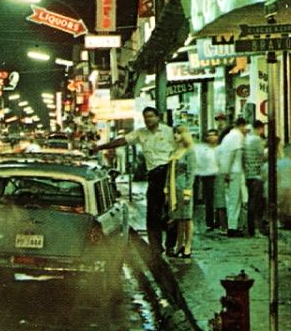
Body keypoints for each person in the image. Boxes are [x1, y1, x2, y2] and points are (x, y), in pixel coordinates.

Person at [93, 106, 174, 250]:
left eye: (151, 116)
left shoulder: (169, 132)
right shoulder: (141, 133)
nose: (148, 119)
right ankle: (156, 246)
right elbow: (121, 141)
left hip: (169, 173)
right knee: (153, 212)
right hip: (154, 175)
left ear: (158, 117)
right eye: (146, 117)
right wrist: (100, 147)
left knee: (171, 212)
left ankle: (171, 245)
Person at [167, 124, 198, 258]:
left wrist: (188, 191)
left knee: (187, 218)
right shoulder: (173, 152)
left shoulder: (189, 151)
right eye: (175, 133)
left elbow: (191, 173)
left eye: (179, 133)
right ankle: (179, 245)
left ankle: (188, 246)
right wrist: (166, 189)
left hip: (184, 188)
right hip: (173, 190)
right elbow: (169, 173)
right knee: (178, 219)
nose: (176, 136)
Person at [218, 117, 249, 236]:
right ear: (242, 125)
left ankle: (232, 225)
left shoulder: (227, 137)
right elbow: (234, 154)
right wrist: (229, 170)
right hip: (234, 171)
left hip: (227, 171)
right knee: (235, 200)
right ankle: (233, 227)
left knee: (229, 199)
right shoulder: (237, 136)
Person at [243, 119, 266, 236]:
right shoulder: (257, 140)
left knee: (252, 201)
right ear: (260, 128)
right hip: (257, 174)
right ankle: (256, 229)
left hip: (248, 174)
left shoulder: (246, 139)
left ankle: (251, 228)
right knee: (257, 204)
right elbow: (262, 154)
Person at [193, 129, 220, 231]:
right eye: (209, 135)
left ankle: (219, 221)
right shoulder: (204, 149)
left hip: (219, 175)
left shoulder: (220, 148)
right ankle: (210, 222)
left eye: (213, 135)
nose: (211, 137)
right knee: (209, 200)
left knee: (219, 200)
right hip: (207, 176)